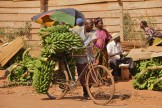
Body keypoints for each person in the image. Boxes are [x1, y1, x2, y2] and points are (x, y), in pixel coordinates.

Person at [72, 18, 96, 99]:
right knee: (82, 74)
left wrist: (93, 42)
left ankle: (88, 90)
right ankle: (85, 91)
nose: (92, 26)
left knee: (92, 74)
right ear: (85, 25)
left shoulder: (93, 32)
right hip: (80, 55)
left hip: (89, 54)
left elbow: (94, 39)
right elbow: (72, 37)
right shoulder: (77, 31)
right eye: (91, 24)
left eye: (93, 24)